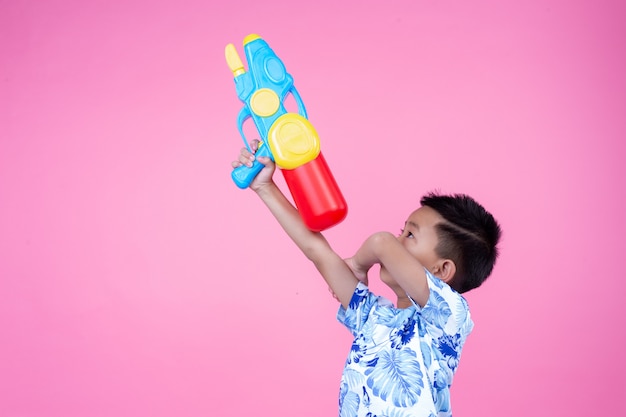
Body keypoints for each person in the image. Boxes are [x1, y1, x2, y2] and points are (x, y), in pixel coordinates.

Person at [231, 140, 502, 417]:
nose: (397, 240)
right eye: (401, 231)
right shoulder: (373, 317)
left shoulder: (448, 319)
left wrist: (359, 265)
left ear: (441, 271)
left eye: (409, 235)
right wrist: (264, 187)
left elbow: (381, 243)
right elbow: (318, 252)